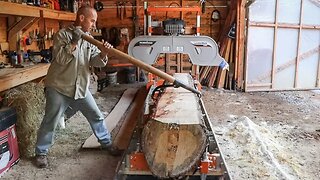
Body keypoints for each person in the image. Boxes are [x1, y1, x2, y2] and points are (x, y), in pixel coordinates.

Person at [35, 6, 121, 168]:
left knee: (95, 114)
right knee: (51, 120)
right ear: (81, 18)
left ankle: (106, 143)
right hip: (59, 87)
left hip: (80, 87)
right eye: (92, 20)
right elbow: (60, 59)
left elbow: (95, 61)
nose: (94, 24)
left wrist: (103, 53)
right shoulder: (62, 35)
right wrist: (74, 42)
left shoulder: (90, 39)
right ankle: (41, 152)